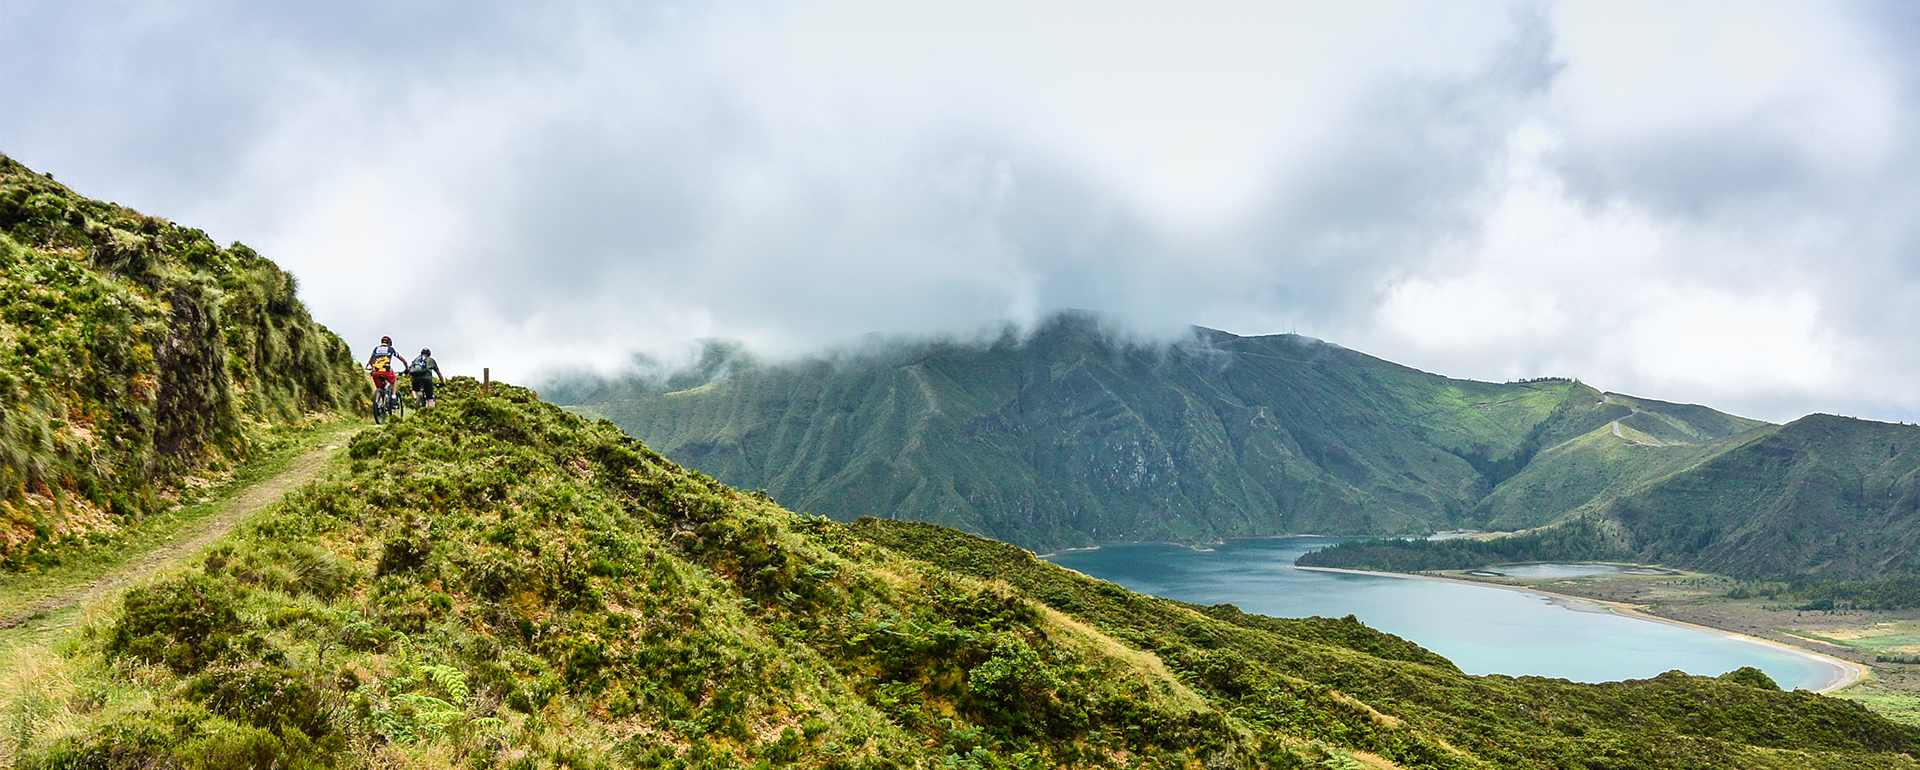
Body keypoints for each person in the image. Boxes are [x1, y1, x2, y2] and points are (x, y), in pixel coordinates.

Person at [366, 336, 409, 407]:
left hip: (375, 371)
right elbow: (403, 360)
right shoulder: (390, 349)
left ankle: (376, 404)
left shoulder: (376, 349)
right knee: (394, 380)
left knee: (379, 388)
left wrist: (373, 368)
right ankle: (394, 396)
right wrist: (407, 368)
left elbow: (370, 361)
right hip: (386, 371)